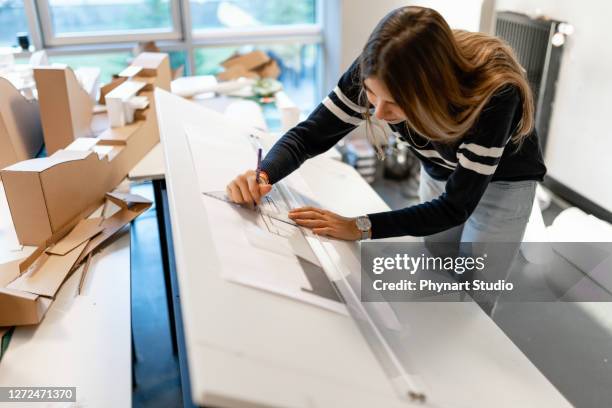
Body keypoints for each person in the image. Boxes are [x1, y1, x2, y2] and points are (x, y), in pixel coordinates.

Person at [226, 6, 545, 251]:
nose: (378, 112)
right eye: (372, 95)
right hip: (440, 169)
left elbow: (454, 207)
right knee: (436, 265)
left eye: (394, 102)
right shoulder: (376, 68)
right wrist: (264, 174)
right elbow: (309, 135)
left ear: (433, 89)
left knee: (477, 283)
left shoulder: (494, 97)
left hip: (505, 182)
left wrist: (360, 227)